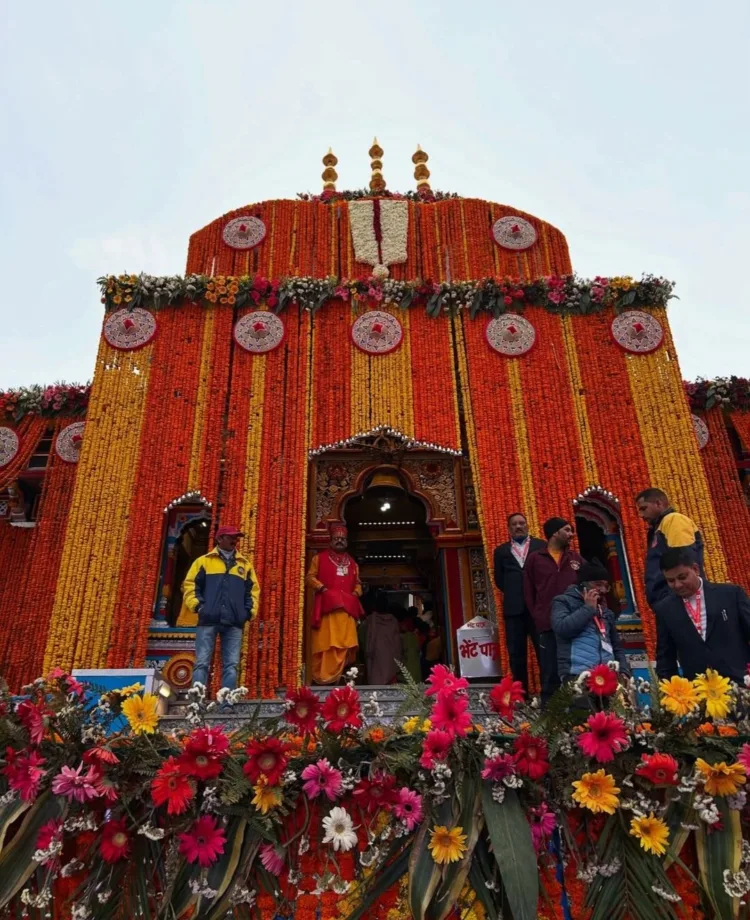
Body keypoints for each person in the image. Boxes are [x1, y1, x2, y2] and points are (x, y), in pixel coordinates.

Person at [654, 547, 750, 682]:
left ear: (695, 569)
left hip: (740, 683)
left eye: (682, 577)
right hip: (697, 689)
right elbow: (665, 659)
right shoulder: (665, 609)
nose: (678, 585)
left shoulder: (731, 595)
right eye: (671, 581)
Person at [182, 525, 259, 691]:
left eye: (236, 537)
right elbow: (190, 586)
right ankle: (197, 701)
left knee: (231, 664)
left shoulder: (244, 565)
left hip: (234, 621)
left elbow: (252, 592)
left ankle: (227, 701)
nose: (234, 540)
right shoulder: (204, 561)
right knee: (202, 663)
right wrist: (199, 607)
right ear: (219, 539)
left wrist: (247, 613)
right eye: (230, 537)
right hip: (208, 619)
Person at [524, 517, 585, 705]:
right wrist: (538, 615)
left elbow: (589, 584)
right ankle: (549, 714)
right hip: (547, 624)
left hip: (574, 624)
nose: (571, 534)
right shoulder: (535, 559)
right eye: (567, 530)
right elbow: (528, 591)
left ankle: (578, 712)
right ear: (554, 533)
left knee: (575, 669)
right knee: (550, 670)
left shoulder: (575, 558)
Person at [551, 561, 630, 685]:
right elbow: (562, 629)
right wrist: (588, 609)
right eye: (598, 585)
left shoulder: (606, 612)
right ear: (583, 585)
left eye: (606, 586)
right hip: (577, 675)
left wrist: (624, 671)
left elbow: (616, 646)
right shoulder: (563, 602)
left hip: (607, 676)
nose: (602, 590)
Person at [493, 512, 546, 691]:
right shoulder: (501, 551)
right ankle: (521, 695)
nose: (518, 526)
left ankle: (549, 695)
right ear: (509, 529)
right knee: (516, 655)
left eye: (521, 523)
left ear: (527, 525)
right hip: (514, 610)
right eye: (514, 524)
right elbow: (500, 580)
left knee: (544, 651)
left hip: (538, 609)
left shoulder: (541, 546)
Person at [306, 522, 364, 684]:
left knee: (346, 645)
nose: (340, 541)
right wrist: (323, 588)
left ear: (347, 542)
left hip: (347, 612)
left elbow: (358, 584)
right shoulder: (319, 559)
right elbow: (309, 577)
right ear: (330, 540)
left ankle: (339, 678)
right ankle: (323, 679)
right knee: (326, 645)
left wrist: (355, 593)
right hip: (327, 611)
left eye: (343, 539)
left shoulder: (353, 563)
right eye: (336, 538)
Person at [635, 488, 704, 608]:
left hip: (678, 597)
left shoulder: (673, 520)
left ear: (658, 503)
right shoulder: (659, 528)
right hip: (667, 598)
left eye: (644, 508)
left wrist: (674, 595)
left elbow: (683, 560)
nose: (641, 515)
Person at [358, 593, 403, 685]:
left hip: (375, 655)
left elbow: (361, 637)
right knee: (390, 680)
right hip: (391, 655)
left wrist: (365, 650)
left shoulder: (370, 620)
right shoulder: (393, 621)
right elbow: (398, 642)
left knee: (375, 680)